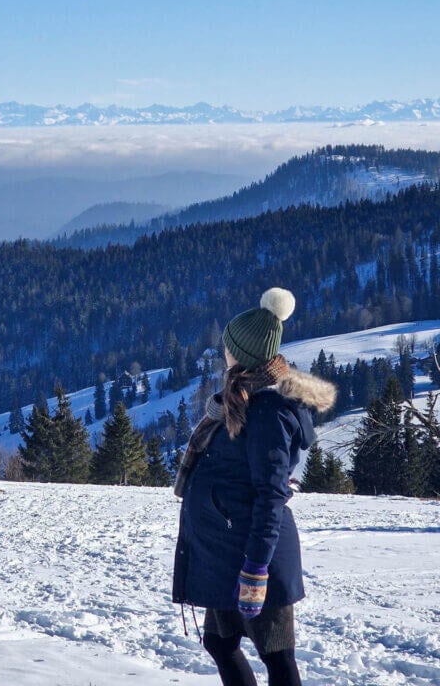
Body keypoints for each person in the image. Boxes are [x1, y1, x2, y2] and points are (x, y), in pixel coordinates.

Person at [172, 288, 336, 686]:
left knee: (277, 657)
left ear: (242, 353)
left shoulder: (267, 410)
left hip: (253, 555)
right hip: (226, 550)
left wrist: (256, 569)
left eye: (229, 346)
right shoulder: (243, 396)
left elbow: (271, 495)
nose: (224, 352)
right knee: (218, 642)